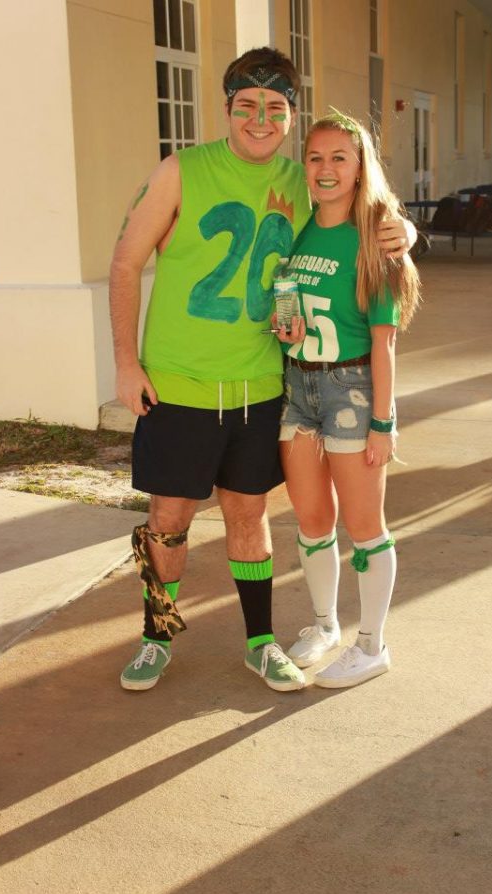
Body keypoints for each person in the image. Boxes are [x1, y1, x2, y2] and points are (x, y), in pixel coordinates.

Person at [109, 47, 416, 694]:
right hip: (179, 385)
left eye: (275, 108)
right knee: (167, 520)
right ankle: (156, 634)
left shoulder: (302, 185)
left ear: (289, 116)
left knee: (250, 520)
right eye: (246, 106)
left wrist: (403, 233)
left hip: (263, 389)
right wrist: (125, 362)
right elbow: (124, 262)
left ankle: (259, 642)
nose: (259, 118)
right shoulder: (181, 171)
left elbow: (356, 212)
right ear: (225, 110)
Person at [275, 111, 420, 688]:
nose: (326, 168)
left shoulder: (376, 237)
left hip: (352, 392)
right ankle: (324, 625)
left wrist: (384, 423)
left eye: (340, 157)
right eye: (315, 157)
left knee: (364, 525)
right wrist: (288, 330)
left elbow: (385, 345)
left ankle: (372, 644)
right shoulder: (298, 228)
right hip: (297, 389)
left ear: (361, 169)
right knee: (311, 520)